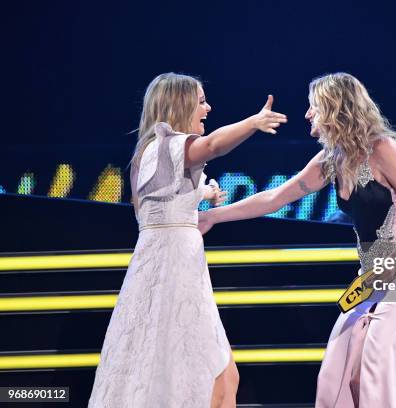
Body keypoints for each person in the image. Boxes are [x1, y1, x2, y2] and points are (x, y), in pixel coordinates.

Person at [198, 72, 396, 407]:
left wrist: (391, 265)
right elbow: (275, 198)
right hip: (370, 279)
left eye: (313, 107)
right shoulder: (332, 160)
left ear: (335, 108)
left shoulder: (381, 149)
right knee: (337, 372)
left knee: (375, 372)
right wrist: (213, 216)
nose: (308, 115)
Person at [88, 72, 287, 408]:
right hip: (172, 278)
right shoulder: (167, 145)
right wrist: (253, 122)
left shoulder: (155, 152)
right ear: (179, 105)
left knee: (216, 376)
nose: (208, 108)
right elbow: (212, 146)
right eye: (200, 101)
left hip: (176, 271)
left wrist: (204, 194)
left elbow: (166, 203)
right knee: (205, 378)